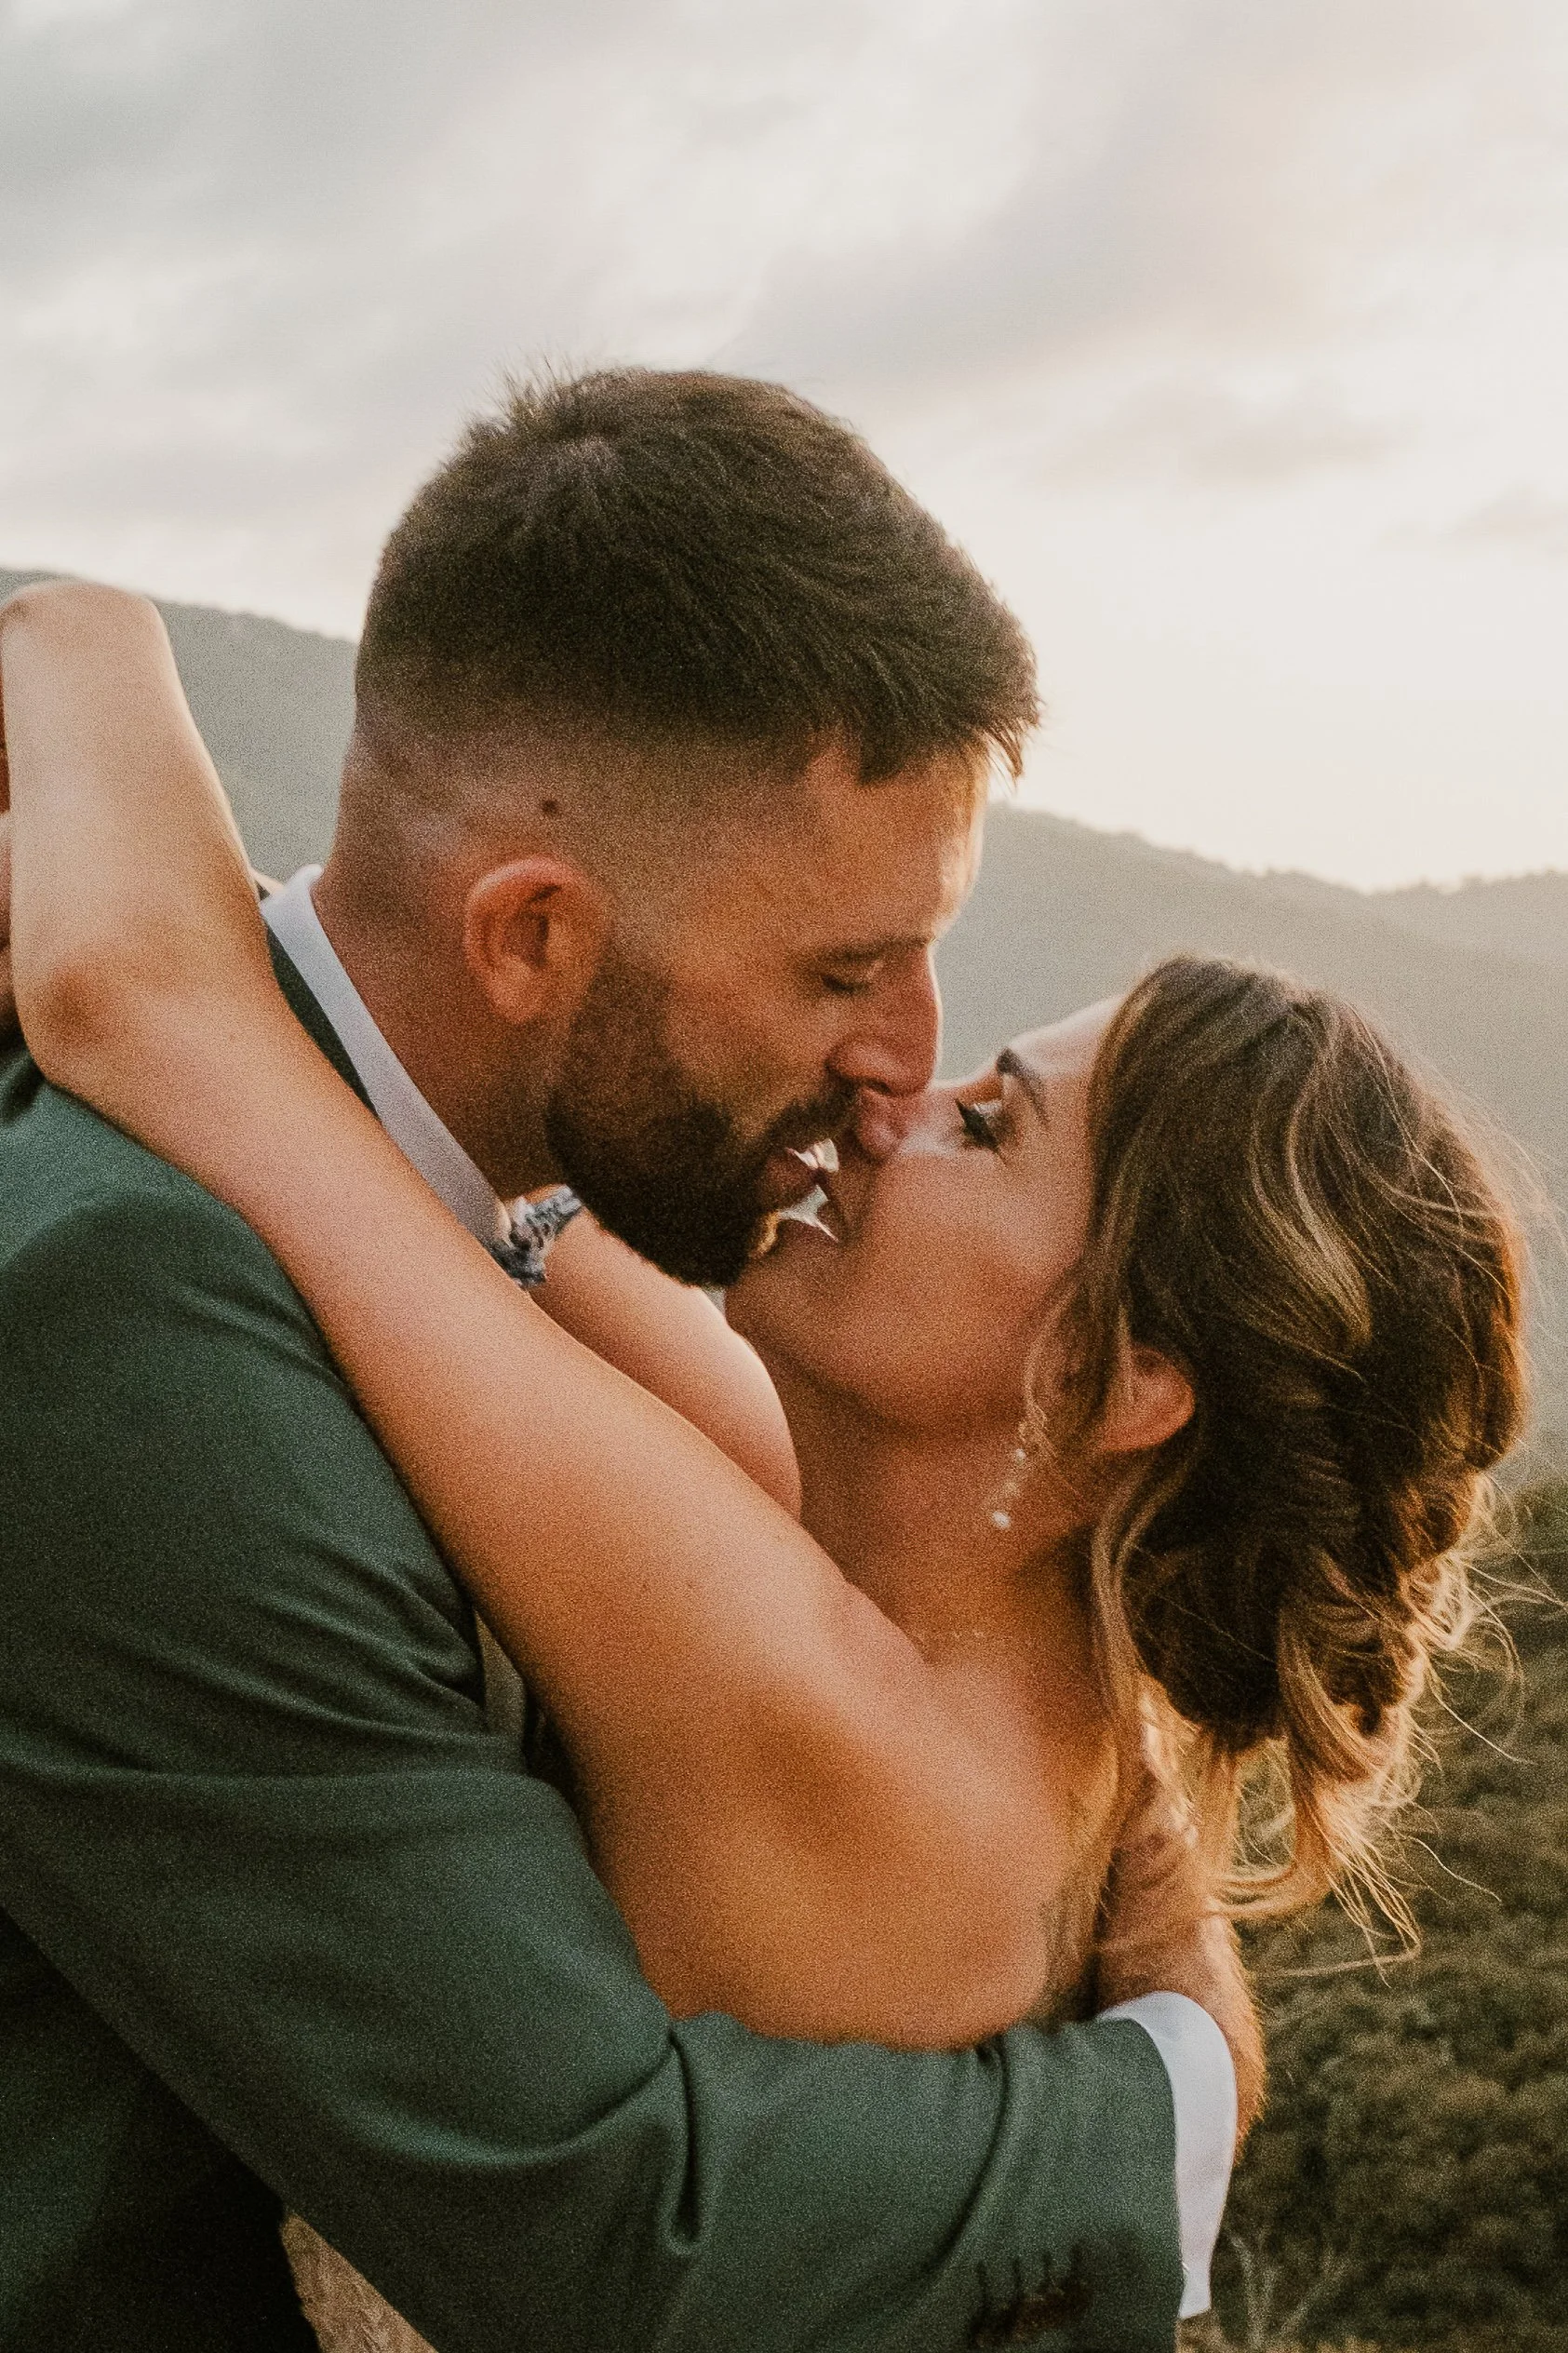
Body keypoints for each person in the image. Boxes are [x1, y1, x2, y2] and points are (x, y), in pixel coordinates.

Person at [3, 583, 1526, 2353]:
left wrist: (82, 631)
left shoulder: (801, 1689)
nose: (891, 1105)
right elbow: (492, 1189)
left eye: (987, 1126)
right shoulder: (955, 1639)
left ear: (1120, 1382)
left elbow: (193, 1037)